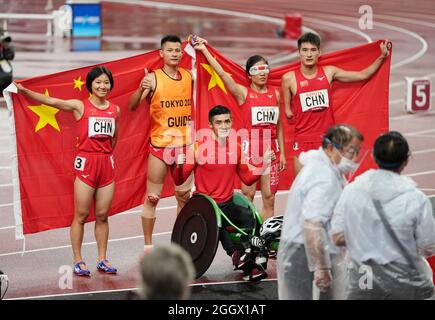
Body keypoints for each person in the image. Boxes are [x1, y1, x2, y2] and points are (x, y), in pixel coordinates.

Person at [15, 66, 120, 276]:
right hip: (86, 165)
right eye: (98, 82)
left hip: (106, 165)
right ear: (90, 85)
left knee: (102, 215)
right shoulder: (79, 106)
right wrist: (25, 92)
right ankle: (78, 259)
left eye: (106, 82)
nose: (102, 86)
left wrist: (104, 155)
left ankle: (102, 259)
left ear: (111, 85)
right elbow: (52, 102)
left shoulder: (115, 110)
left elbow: (114, 139)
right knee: (80, 215)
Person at [173, 105, 275, 281]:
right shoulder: (198, 148)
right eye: (218, 122)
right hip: (205, 206)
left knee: (251, 218)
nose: (223, 126)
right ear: (210, 124)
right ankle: (236, 255)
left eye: (227, 121)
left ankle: (250, 258)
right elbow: (179, 180)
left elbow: (248, 178)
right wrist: (178, 165)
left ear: (231, 122)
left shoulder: (236, 148)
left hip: (227, 203)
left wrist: (264, 164)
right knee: (218, 223)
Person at [331, 131, 435, 300]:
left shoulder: (351, 191)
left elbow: (337, 237)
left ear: (373, 155)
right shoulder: (416, 199)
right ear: (406, 161)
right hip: (405, 282)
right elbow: (428, 246)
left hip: (362, 280)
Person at [192, 36, 286, 221]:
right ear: (249, 74)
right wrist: (204, 50)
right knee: (247, 198)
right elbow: (222, 74)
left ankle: (265, 238)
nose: (262, 73)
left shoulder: (275, 94)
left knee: (269, 198)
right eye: (257, 70)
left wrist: (281, 152)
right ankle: (249, 236)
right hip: (250, 151)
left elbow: (279, 125)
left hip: (271, 152)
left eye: (265, 69)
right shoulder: (243, 93)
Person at [281, 32, 390, 175]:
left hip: (327, 140)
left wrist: (381, 57)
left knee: (330, 183)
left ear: (319, 53)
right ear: (299, 53)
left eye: (313, 50)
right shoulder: (288, 79)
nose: (309, 54)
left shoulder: (329, 72)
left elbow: (363, 75)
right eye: (305, 50)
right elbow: (288, 112)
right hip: (302, 141)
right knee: (301, 185)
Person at [277, 124, 364, 299]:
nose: (354, 158)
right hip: (304, 254)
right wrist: (321, 268)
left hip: (308, 251)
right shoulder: (324, 177)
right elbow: (312, 226)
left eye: (357, 152)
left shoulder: (323, 167)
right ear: (331, 148)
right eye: (350, 151)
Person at [128, 35, 193, 248]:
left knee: (184, 197)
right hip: (160, 147)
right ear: (161, 54)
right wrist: (140, 88)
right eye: (170, 50)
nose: (175, 54)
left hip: (184, 146)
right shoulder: (153, 78)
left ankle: (180, 243)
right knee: (153, 197)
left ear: (182, 54)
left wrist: (200, 45)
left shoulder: (189, 76)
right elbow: (132, 106)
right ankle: (148, 245)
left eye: (178, 50)